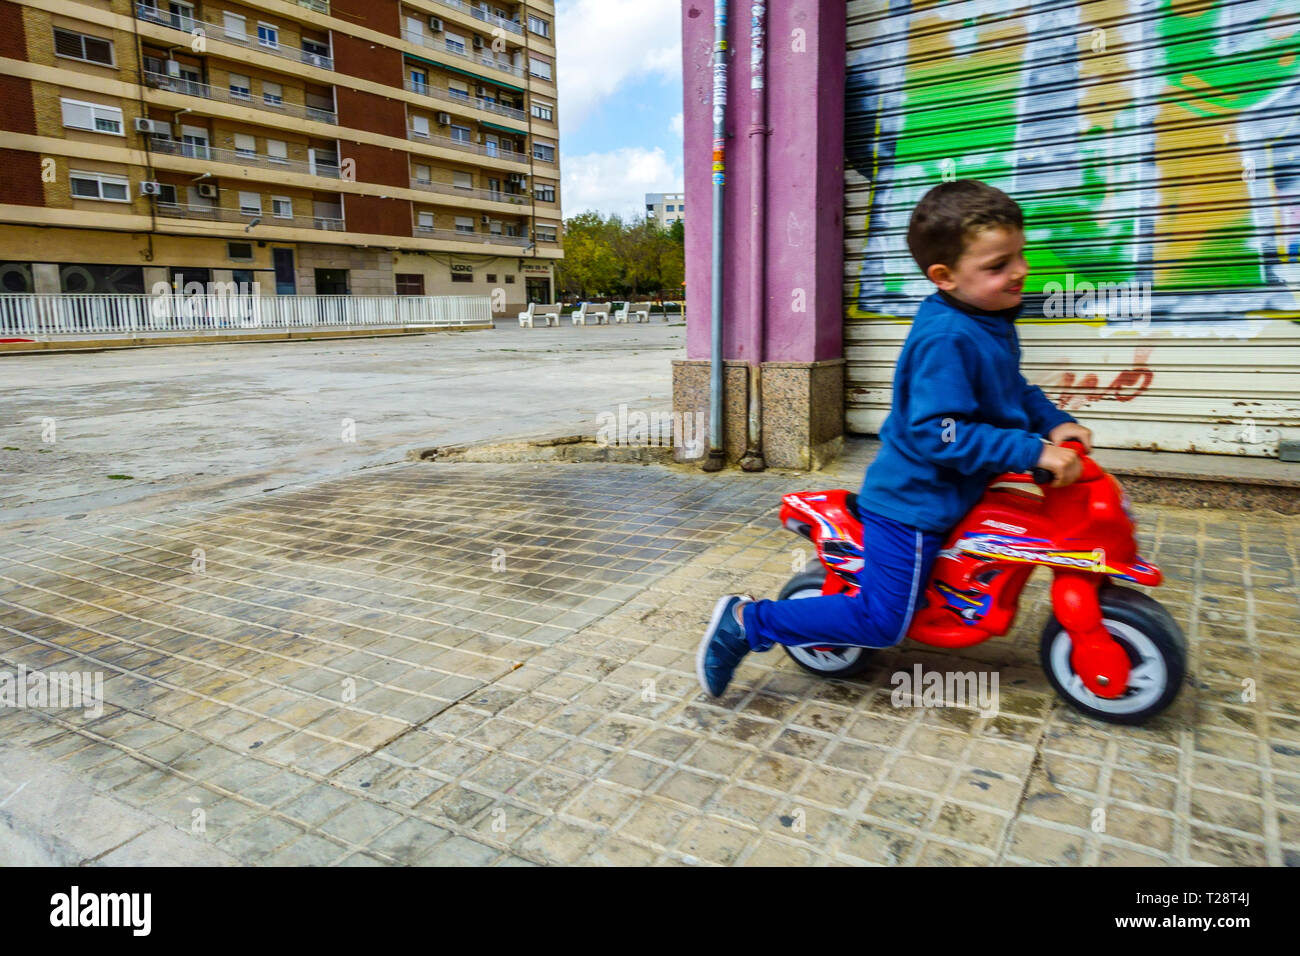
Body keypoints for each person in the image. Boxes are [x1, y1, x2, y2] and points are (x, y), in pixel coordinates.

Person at [697, 179, 1094, 698]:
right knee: (883, 622)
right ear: (944, 276)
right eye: (998, 265)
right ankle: (749, 622)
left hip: (956, 494)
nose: (1019, 271)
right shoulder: (947, 337)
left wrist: (1051, 420)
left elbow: (1010, 389)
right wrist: (1030, 450)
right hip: (911, 506)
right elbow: (938, 431)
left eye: (1020, 255)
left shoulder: (988, 318)